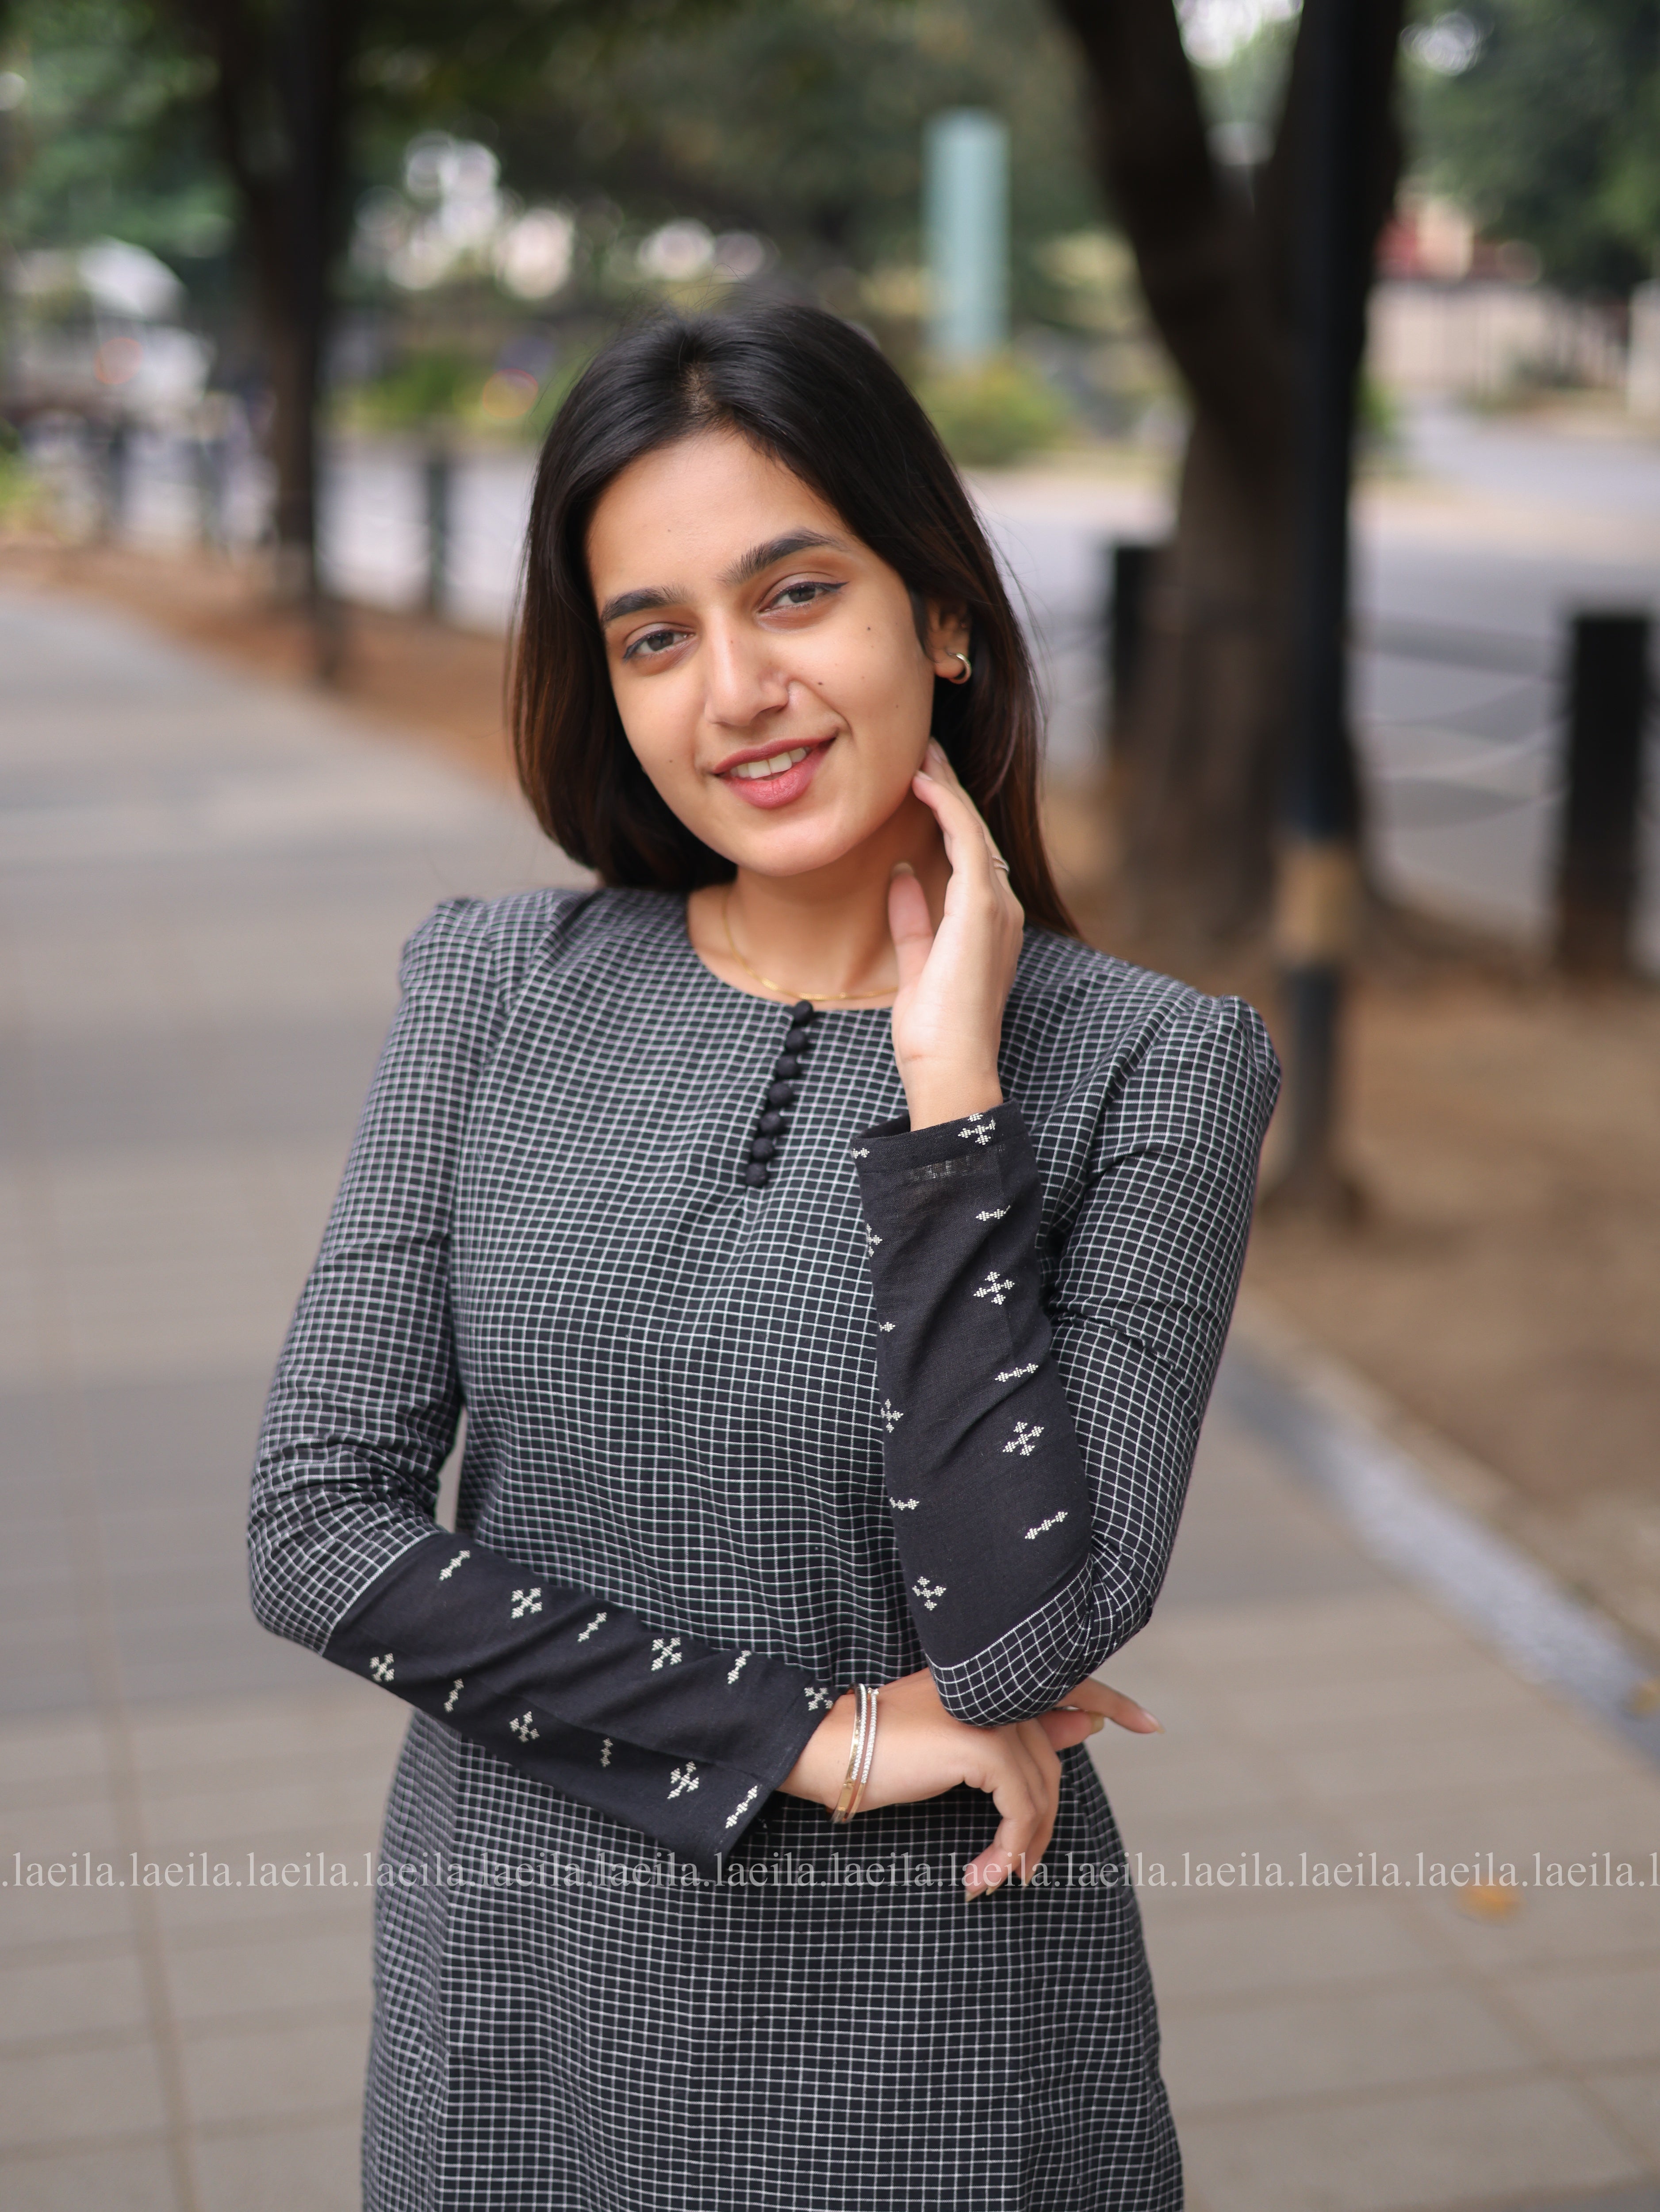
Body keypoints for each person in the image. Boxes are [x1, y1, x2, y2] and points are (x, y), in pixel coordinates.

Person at [249, 302, 1278, 2212]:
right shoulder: (490, 987)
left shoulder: (1157, 1066)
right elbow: (318, 1525)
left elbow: (1032, 1627)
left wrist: (955, 1100)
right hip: (519, 2013)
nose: (735, 690)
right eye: (657, 634)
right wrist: (809, 1730)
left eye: (793, 593)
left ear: (942, 617)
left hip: (940, 2046)